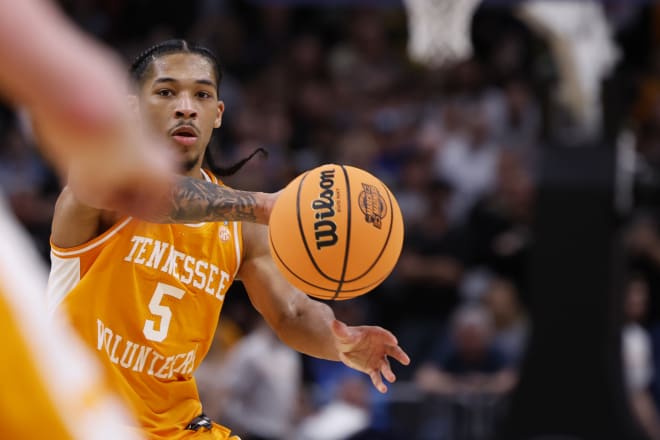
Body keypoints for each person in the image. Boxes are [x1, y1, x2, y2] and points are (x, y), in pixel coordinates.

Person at [47, 39, 411, 440]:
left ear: (217, 113)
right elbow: (152, 196)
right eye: (166, 92)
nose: (186, 107)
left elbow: (291, 312)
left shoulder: (241, 227)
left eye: (202, 94)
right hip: (70, 413)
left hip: (174, 428)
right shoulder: (101, 174)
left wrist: (340, 342)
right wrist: (266, 206)